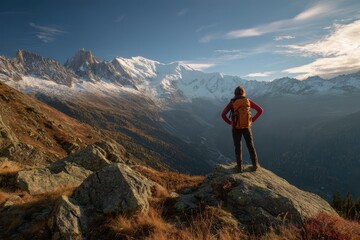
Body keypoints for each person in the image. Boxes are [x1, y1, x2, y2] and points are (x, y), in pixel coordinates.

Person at [221, 86, 263, 172]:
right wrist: (252, 120)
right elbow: (260, 110)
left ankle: (239, 167)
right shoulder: (247, 101)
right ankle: (255, 165)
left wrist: (230, 123)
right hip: (247, 126)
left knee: (238, 146)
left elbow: (223, 115)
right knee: (250, 145)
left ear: (235, 93)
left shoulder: (232, 102)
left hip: (236, 127)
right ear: (244, 93)